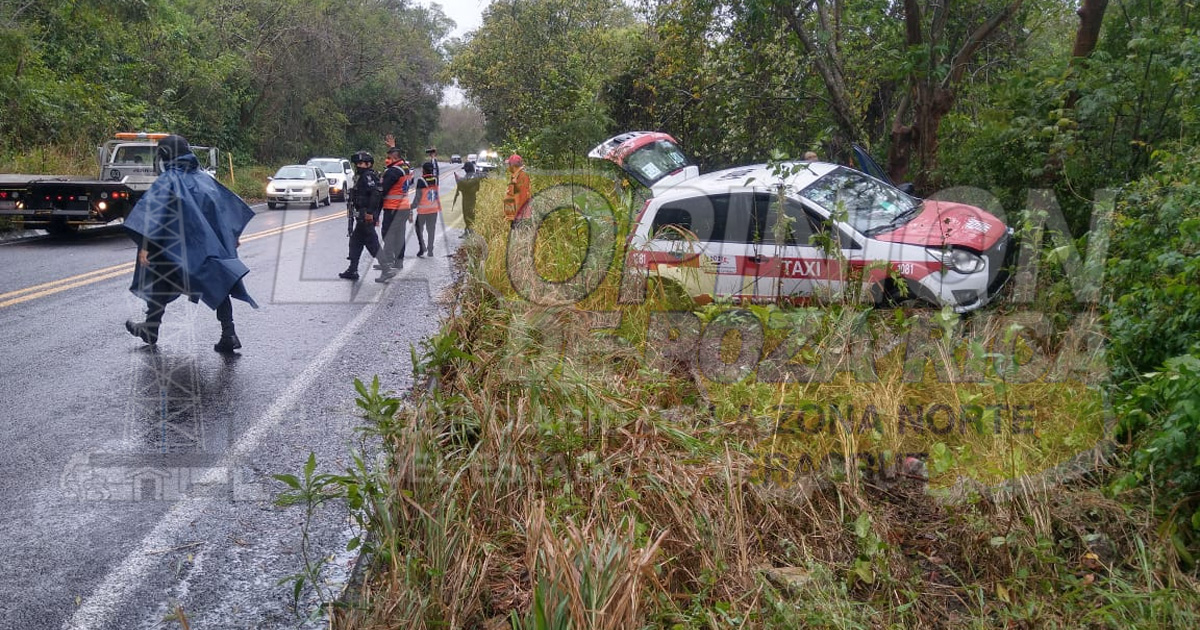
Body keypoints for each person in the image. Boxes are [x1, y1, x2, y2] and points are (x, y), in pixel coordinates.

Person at [123, 134, 257, 353]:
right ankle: (228, 333)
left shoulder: (168, 180)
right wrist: (231, 236)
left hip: (178, 249)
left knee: (161, 277)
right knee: (218, 281)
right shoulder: (205, 179)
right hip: (207, 250)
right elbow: (222, 209)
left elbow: (152, 213)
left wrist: (145, 245)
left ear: (165, 154)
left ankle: (151, 327)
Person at [339, 150, 387, 281]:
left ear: (368, 164)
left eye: (361, 163)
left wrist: (371, 213)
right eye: (357, 163)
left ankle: (386, 269)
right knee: (355, 242)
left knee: (373, 244)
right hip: (361, 215)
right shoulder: (361, 177)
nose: (358, 165)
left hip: (366, 216)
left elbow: (376, 194)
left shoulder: (368, 176)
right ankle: (352, 270)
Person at [376, 148, 412, 280]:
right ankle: (398, 261)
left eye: (388, 158)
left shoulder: (393, 172)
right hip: (404, 207)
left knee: (388, 234)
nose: (386, 160)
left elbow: (382, 191)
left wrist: (375, 211)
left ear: (394, 157)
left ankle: (388, 263)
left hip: (393, 208)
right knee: (399, 234)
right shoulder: (406, 167)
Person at [413, 161, 442, 257]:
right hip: (434, 209)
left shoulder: (421, 181)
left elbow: (418, 197)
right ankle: (430, 249)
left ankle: (422, 247)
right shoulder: (436, 179)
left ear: (423, 170)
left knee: (418, 228)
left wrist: (411, 206)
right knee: (431, 230)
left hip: (423, 211)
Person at [453, 160, 482, 231]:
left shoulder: (473, 176)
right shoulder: (469, 175)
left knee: (470, 214)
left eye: (465, 169)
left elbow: (467, 185)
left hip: (470, 198)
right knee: (465, 214)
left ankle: (471, 231)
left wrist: (459, 180)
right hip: (466, 198)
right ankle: (467, 230)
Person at [502, 154, 531, 222]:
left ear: (512, 165)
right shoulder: (516, 176)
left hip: (519, 218)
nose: (508, 167)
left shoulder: (521, 177)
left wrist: (516, 216)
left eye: (509, 164)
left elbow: (521, 197)